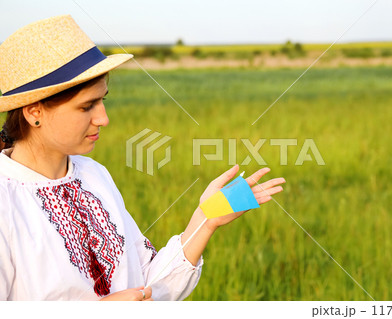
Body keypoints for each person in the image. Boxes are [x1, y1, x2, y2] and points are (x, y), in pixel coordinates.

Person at [0, 15, 285, 301]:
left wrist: (205, 219)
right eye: (87, 106)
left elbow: (148, 285)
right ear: (34, 112)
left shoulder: (93, 174)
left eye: (103, 100)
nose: (103, 118)